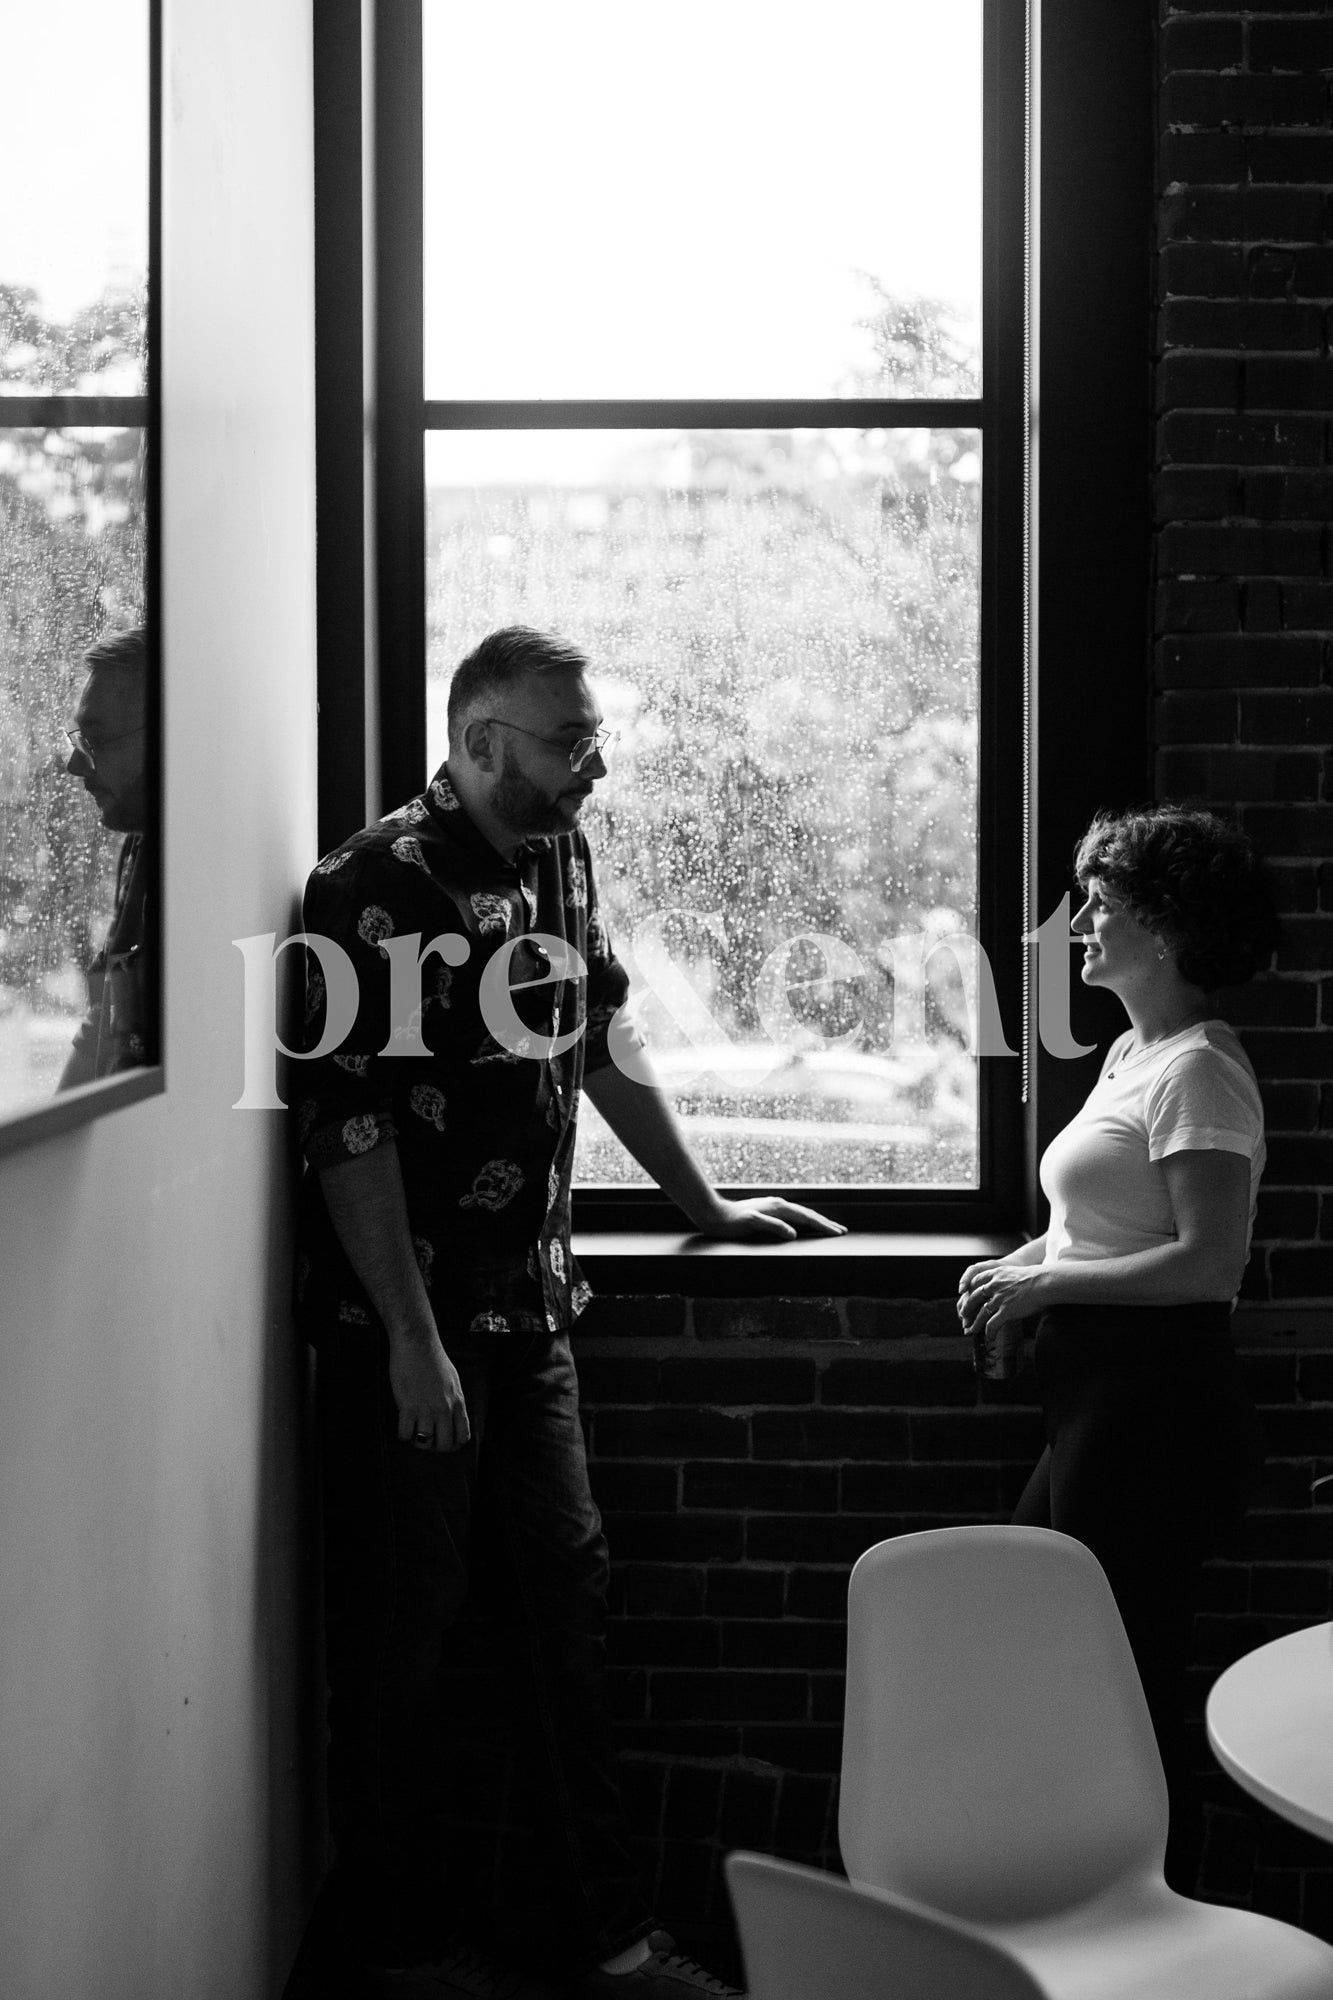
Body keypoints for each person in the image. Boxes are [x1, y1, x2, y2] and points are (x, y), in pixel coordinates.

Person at [293, 627, 843, 2000]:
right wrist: (411, 1340)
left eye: (593, 740)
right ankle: (399, 1948)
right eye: (568, 743)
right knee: (404, 1641)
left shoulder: (558, 852)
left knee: (566, 1604)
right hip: (405, 1342)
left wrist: (707, 1204)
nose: (593, 767)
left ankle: (606, 1942)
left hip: (531, 1316)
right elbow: (345, 1124)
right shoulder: (365, 885)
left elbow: (595, 1037)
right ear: (481, 742)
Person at [957, 803, 1277, 1893]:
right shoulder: (1134, 1054)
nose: (1078, 921)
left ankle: (1150, 1913)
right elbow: (1103, 1222)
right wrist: (1022, 1264)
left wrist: (1044, 1282)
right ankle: (1079, 1893)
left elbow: (1206, 1265)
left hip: (1158, 1412)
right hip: (1100, 1406)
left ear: (1169, 926)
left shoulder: (1200, 1071)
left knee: (1121, 1682)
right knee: (1045, 1636)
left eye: (1101, 903)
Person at [58, 625, 152, 1088]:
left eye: (95, 741)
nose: (75, 765)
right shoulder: (145, 846)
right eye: (80, 740)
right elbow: (105, 1022)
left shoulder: (212, 885)